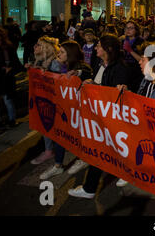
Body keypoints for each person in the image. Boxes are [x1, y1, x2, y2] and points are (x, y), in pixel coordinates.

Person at [68, 34, 141, 199]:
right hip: (103, 118)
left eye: (99, 46)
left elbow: (115, 95)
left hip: (114, 120)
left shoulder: (121, 68)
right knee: (100, 152)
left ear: (108, 49)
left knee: (103, 151)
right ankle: (91, 188)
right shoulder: (102, 64)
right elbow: (103, 88)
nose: (95, 48)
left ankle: (124, 173)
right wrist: (92, 84)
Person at [39, 41, 93, 180]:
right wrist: (45, 74)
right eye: (59, 51)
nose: (59, 54)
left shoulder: (80, 66)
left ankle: (83, 158)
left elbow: (87, 72)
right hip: (64, 109)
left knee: (79, 137)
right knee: (60, 136)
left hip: (79, 111)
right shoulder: (60, 67)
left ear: (70, 54)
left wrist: (78, 73)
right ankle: (58, 166)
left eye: (62, 52)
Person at [28, 36, 63, 165]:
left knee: (49, 125)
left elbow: (60, 81)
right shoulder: (40, 61)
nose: (34, 47)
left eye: (38, 45)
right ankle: (48, 149)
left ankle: (50, 152)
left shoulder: (54, 63)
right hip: (43, 100)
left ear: (46, 48)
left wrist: (46, 73)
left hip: (53, 102)